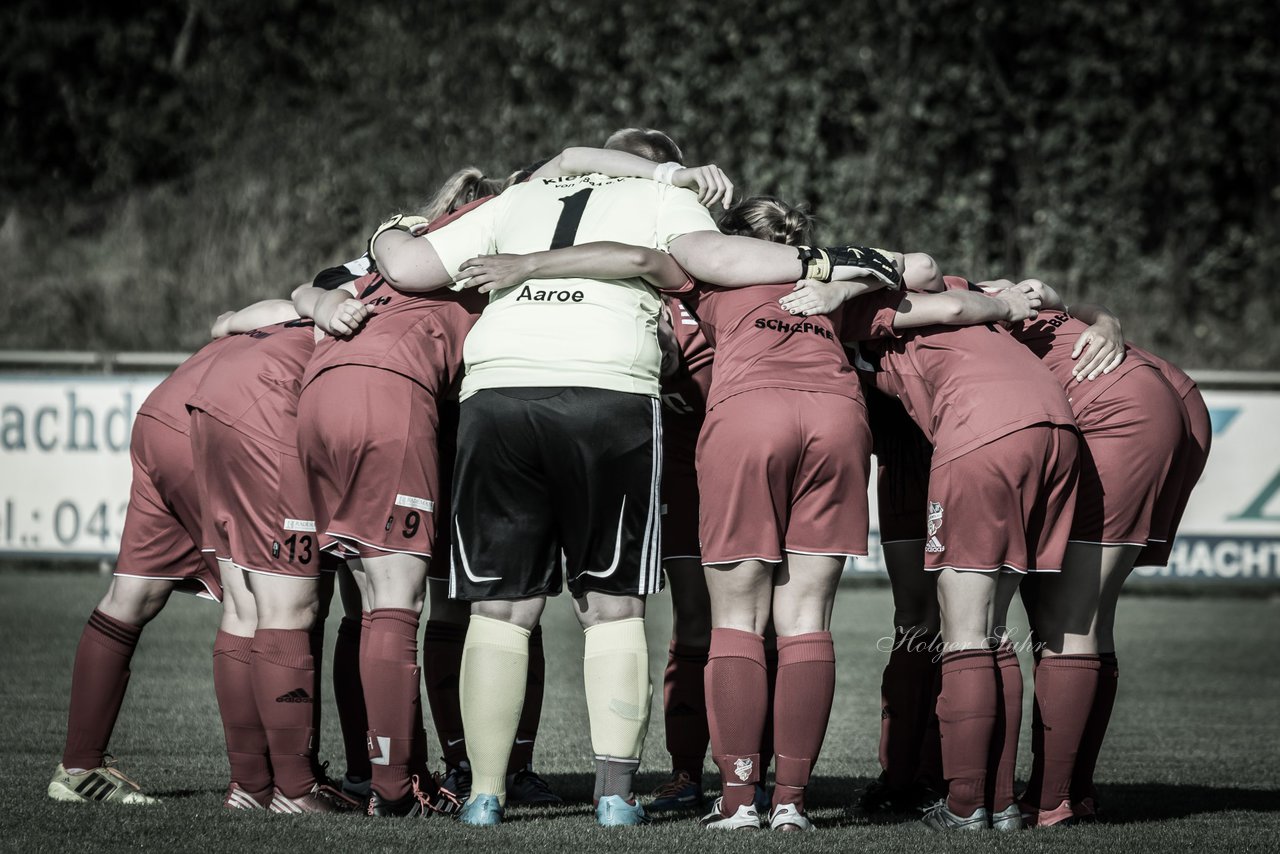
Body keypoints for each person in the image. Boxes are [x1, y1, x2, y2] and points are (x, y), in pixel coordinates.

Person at [373, 132, 897, 827]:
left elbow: (406, 266)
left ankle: (484, 796)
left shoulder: (516, 196)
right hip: (609, 383)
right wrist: (842, 262)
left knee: (501, 607)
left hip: (501, 386)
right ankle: (617, 799)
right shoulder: (667, 196)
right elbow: (706, 258)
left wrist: (392, 228)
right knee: (614, 604)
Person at [785, 271, 1077, 832]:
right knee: (987, 628)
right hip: (1052, 427)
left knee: (960, 629)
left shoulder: (878, 303)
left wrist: (839, 290)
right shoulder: (978, 314)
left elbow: (932, 294)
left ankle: (966, 804)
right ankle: (995, 798)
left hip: (979, 432)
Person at [188, 291, 368, 813]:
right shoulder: (377, 299)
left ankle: (248, 785)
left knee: (244, 605)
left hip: (210, 404)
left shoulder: (301, 303)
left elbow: (224, 322)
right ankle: (294, 788)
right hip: (268, 412)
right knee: (291, 607)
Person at [48, 331, 237, 805]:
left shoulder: (311, 297)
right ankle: (271, 783)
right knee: (268, 598)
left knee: (132, 595)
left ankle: (79, 768)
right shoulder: (364, 299)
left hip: (164, 408)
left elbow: (223, 322)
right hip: (217, 422)